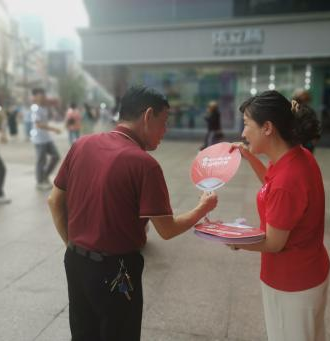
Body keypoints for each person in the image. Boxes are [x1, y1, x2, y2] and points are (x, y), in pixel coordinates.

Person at [47, 85, 218, 341]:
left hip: (75, 262)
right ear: (148, 115)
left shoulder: (82, 144)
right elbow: (167, 229)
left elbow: (54, 201)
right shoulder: (144, 164)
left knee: (83, 334)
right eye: (164, 121)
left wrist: (75, 247)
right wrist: (202, 208)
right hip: (117, 269)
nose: (165, 130)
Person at [229, 90, 330, 341]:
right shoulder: (296, 157)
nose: (242, 133)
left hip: (291, 282)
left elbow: (274, 243)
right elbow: (271, 184)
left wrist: (235, 240)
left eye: (246, 125)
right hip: (309, 272)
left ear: (267, 128)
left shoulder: (287, 179)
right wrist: (249, 156)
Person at [29, 88, 61, 190]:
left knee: (56, 156)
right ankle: (39, 182)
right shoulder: (35, 108)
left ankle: (45, 175)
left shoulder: (44, 108)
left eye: (43, 95)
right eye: (40, 95)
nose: (43, 97)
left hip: (46, 138)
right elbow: (38, 124)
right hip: (39, 139)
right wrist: (54, 129)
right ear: (35, 97)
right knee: (41, 160)